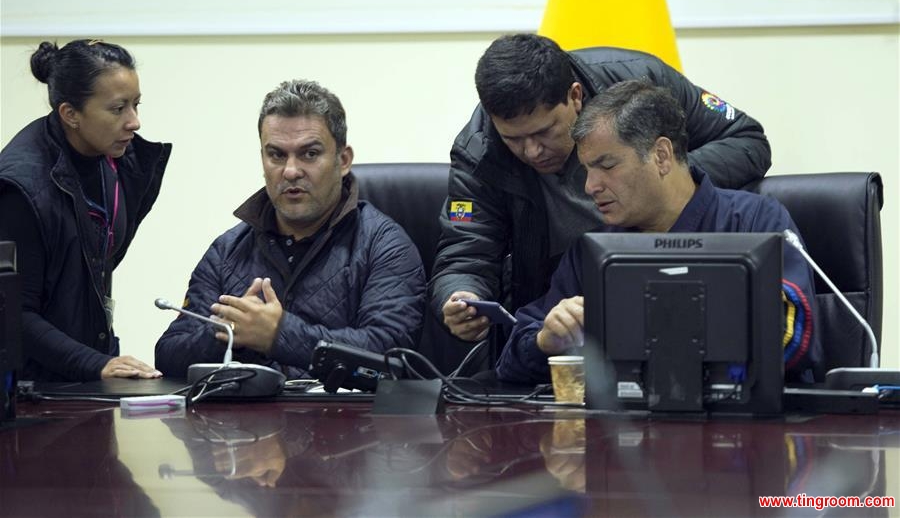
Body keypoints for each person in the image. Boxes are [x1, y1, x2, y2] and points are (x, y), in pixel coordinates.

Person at [431, 34, 773, 368]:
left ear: (575, 97)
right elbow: (465, 254)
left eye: (544, 132)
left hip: (669, 261)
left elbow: (746, 139)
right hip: (566, 295)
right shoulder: (479, 153)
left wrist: (654, 189)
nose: (532, 151)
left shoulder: (643, 82)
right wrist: (462, 297)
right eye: (514, 139)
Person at [495, 80, 820, 385]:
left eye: (606, 166)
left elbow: (792, 336)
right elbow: (511, 359)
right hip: (623, 435)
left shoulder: (754, 222)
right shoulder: (594, 248)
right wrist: (544, 341)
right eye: (587, 169)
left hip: (744, 431)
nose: (590, 186)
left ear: (661, 156)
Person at [155, 79, 425, 379]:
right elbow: (168, 355)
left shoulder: (384, 245)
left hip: (345, 421)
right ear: (262, 159)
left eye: (309, 154)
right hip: (244, 425)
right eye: (277, 155)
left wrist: (279, 335)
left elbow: (393, 355)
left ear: (343, 160)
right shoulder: (228, 251)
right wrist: (231, 334)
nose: (291, 171)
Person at [0, 39, 171, 382]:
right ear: (70, 114)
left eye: (136, 105)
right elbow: (14, 314)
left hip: (87, 370)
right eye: (118, 108)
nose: (134, 122)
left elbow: (88, 276)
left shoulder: (121, 162)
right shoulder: (21, 188)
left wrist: (99, 362)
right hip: (31, 391)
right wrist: (95, 363)